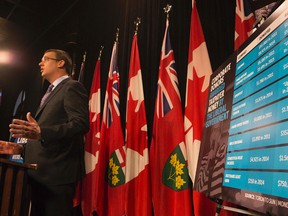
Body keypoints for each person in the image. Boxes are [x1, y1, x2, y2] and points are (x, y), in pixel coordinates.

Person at [0, 49, 89, 216]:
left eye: (46, 59)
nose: (40, 63)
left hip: (57, 174)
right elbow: (43, 136)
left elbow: (80, 124)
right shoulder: (50, 92)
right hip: (38, 173)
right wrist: (19, 149)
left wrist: (41, 132)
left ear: (60, 63)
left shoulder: (71, 87)